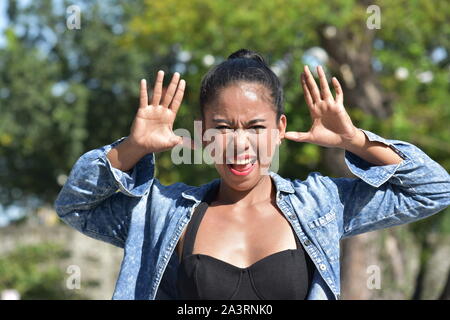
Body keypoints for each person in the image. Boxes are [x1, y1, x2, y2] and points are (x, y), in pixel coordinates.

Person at [54, 49, 450, 300]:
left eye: (255, 127)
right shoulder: (164, 213)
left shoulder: (321, 205)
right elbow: (76, 206)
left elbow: (434, 189)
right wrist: (131, 149)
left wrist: (355, 140)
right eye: (223, 127)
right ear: (203, 132)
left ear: (279, 129)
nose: (239, 144)